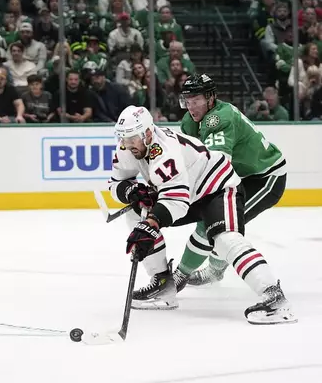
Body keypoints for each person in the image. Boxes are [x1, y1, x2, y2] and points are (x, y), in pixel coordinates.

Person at [109, 105, 295, 324]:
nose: (126, 145)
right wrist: (130, 191)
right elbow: (116, 183)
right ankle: (163, 285)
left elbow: (176, 202)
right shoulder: (128, 147)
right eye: (123, 139)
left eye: (131, 139)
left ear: (148, 133)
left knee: (225, 239)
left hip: (217, 187)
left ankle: (274, 297)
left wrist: (150, 224)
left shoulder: (165, 152)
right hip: (189, 191)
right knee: (135, 210)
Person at [172, 74, 287, 291]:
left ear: (211, 98)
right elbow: (191, 159)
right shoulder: (189, 121)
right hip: (239, 176)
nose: (190, 106)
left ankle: (193, 274)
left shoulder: (219, 119)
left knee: (218, 225)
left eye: (196, 100)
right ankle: (202, 271)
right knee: (211, 224)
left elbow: (215, 165)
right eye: (187, 100)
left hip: (267, 177)